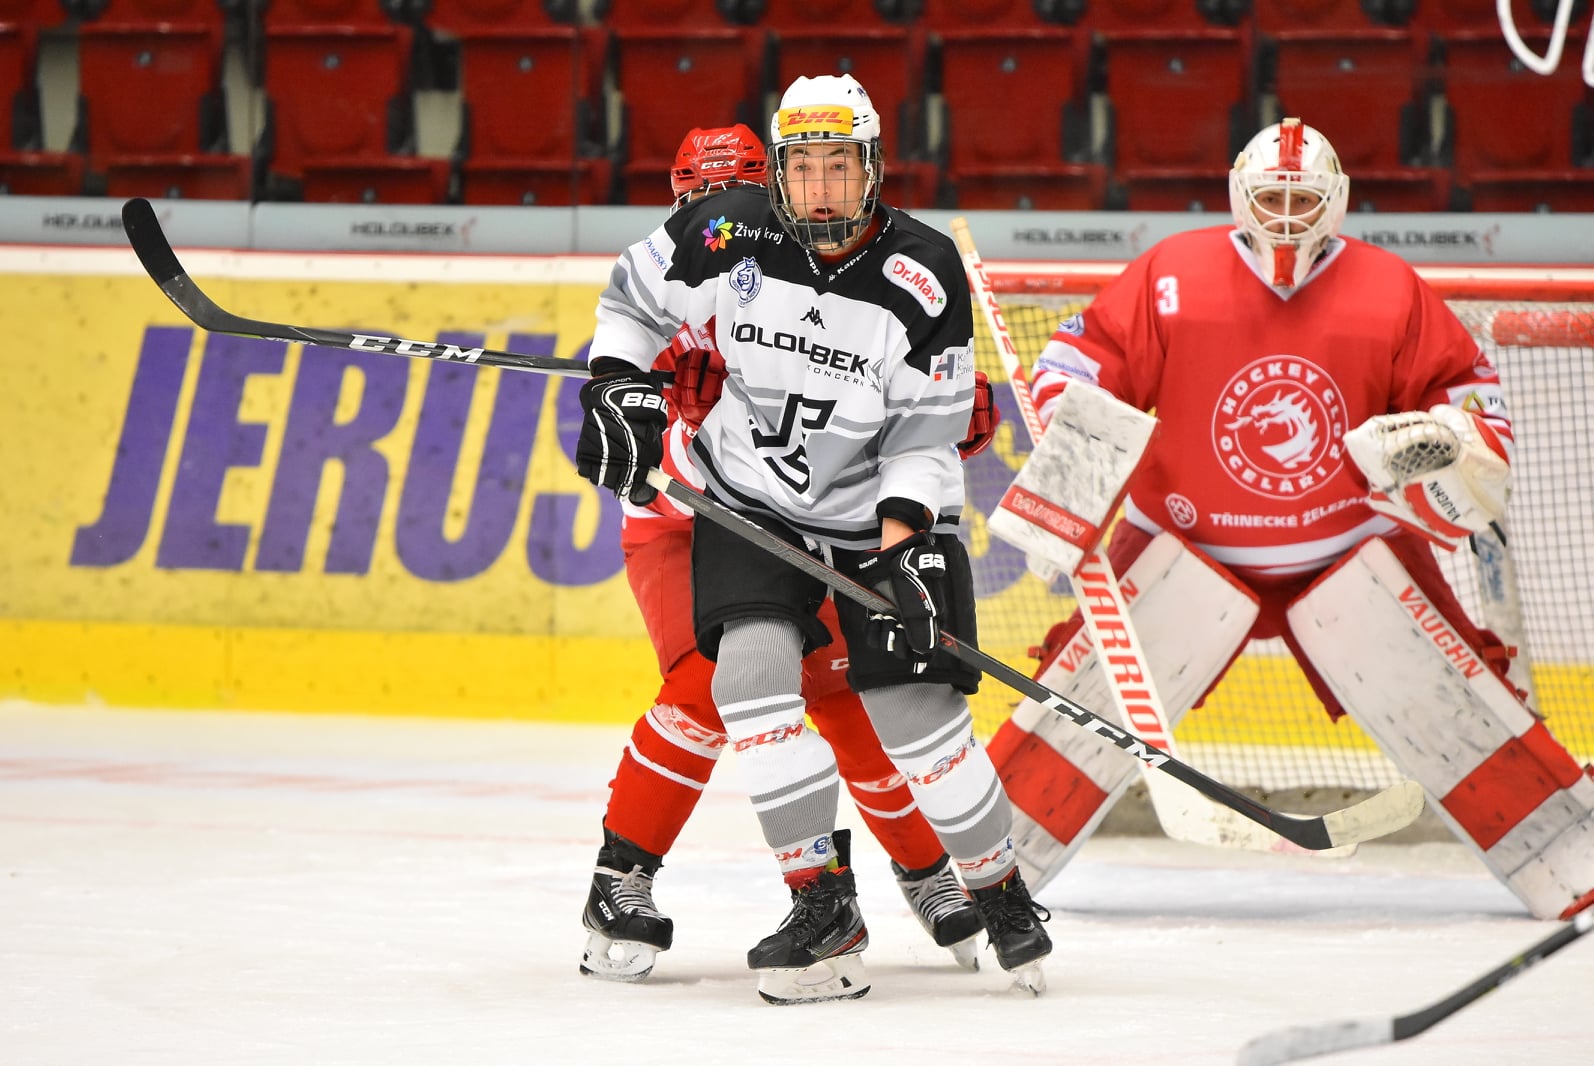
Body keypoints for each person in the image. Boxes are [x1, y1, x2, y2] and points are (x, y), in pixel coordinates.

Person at [988, 117, 1594, 923]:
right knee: (1073, 705)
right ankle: (980, 870)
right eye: (1269, 197)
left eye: (1301, 199)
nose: (1283, 216)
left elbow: (1470, 400)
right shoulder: (1170, 274)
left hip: (1354, 543)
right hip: (1179, 539)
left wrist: (1453, 437)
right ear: (1239, 195)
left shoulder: (1391, 288)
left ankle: (1569, 856)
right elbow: (1078, 363)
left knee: (1470, 701)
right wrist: (1073, 453)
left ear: (1334, 201)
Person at [575, 75, 1052, 1003]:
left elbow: (924, 437)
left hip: (872, 521)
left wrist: (905, 543)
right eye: (803, 167)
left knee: (916, 723)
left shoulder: (922, 268)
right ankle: (820, 902)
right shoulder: (730, 230)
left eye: (839, 165)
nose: (821, 188)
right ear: (778, 175)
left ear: (871, 167)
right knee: (741, 684)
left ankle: (996, 888)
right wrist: (619, 385)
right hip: (746, 507)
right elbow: (631, 304)